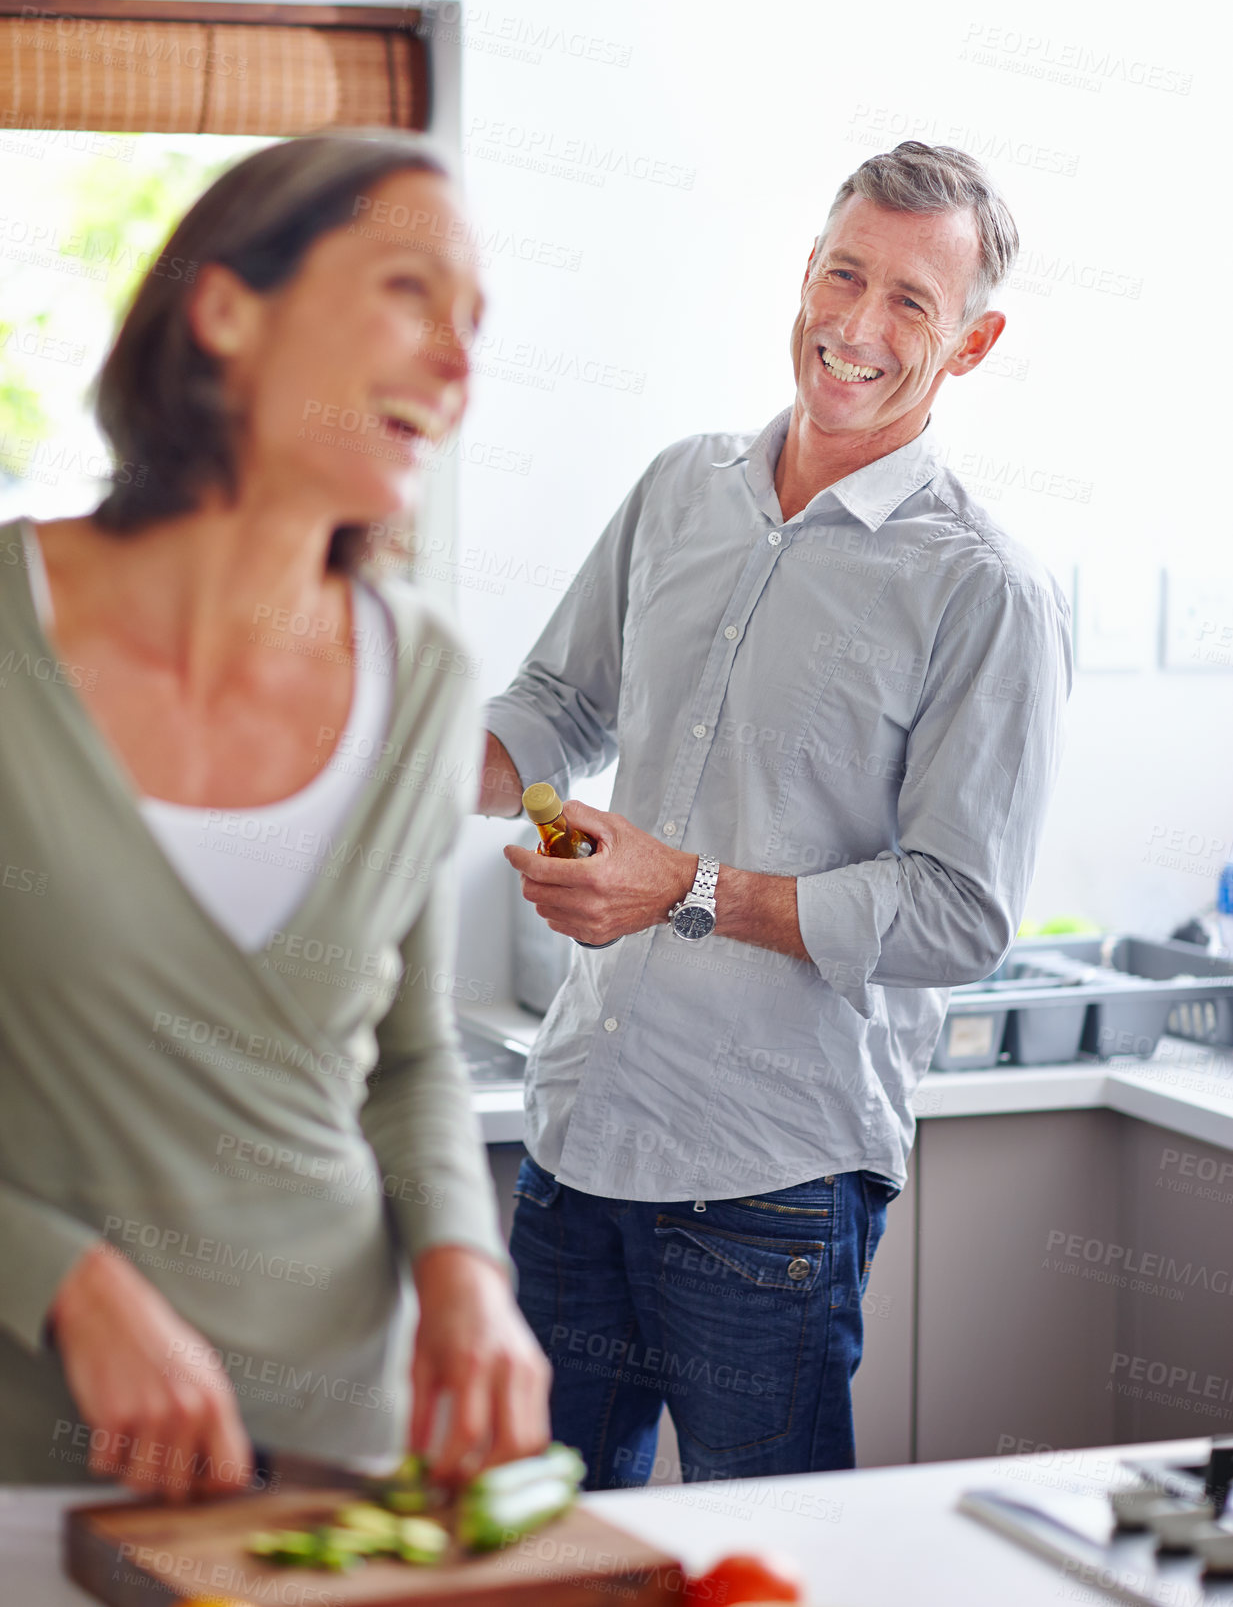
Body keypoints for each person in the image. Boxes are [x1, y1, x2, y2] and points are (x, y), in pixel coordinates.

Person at [479, 142, 1073, 1487]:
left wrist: (681, 886)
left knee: (764, 1570)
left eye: (911, 303)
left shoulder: (984, 589)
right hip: (578, 1144)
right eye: (842, 273)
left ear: (971, 343)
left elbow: (958, 912)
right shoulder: (682, 488)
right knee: (532, 1568)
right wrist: (376, 760)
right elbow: (558, 703)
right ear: (803, 272)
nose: (855, 327)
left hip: (768, 1191)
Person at [0, 130, 550, 1497]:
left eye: (474, 323)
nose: (457, 362)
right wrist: (63, 1278)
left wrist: (468, 1276)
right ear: (226, 308)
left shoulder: (424, 677)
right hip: (36, 1457)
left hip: (340, 1448)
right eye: (409, 292)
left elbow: (410, 1058)